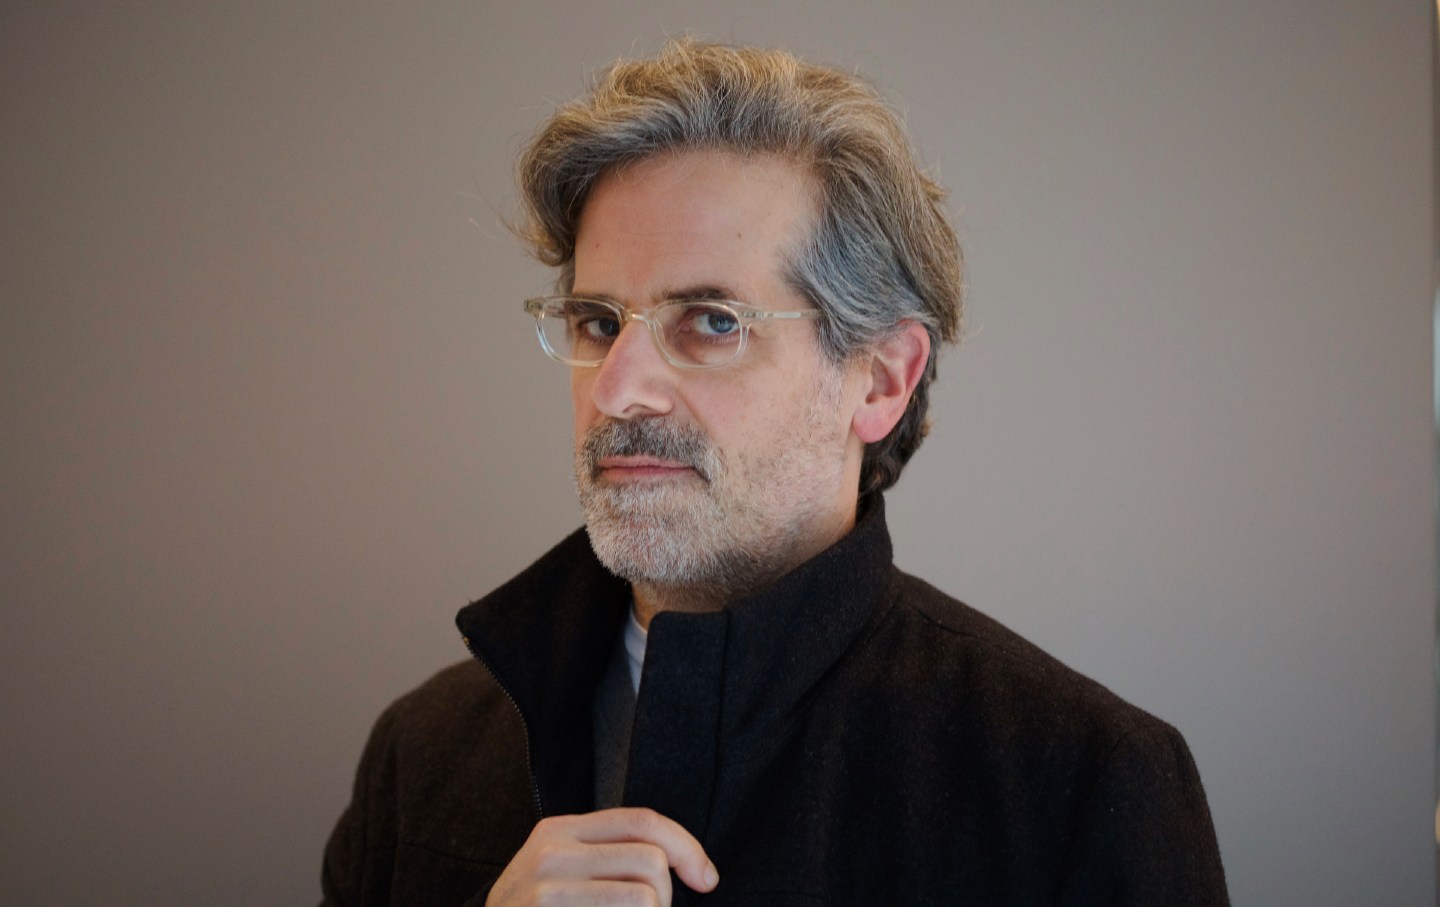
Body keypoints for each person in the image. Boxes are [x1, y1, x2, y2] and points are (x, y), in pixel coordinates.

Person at [320, 39, 1229, 906]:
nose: (620, 389)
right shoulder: (422, 753)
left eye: (712, 321)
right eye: (598, 321)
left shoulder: (1080, 785)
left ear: (878, 377)